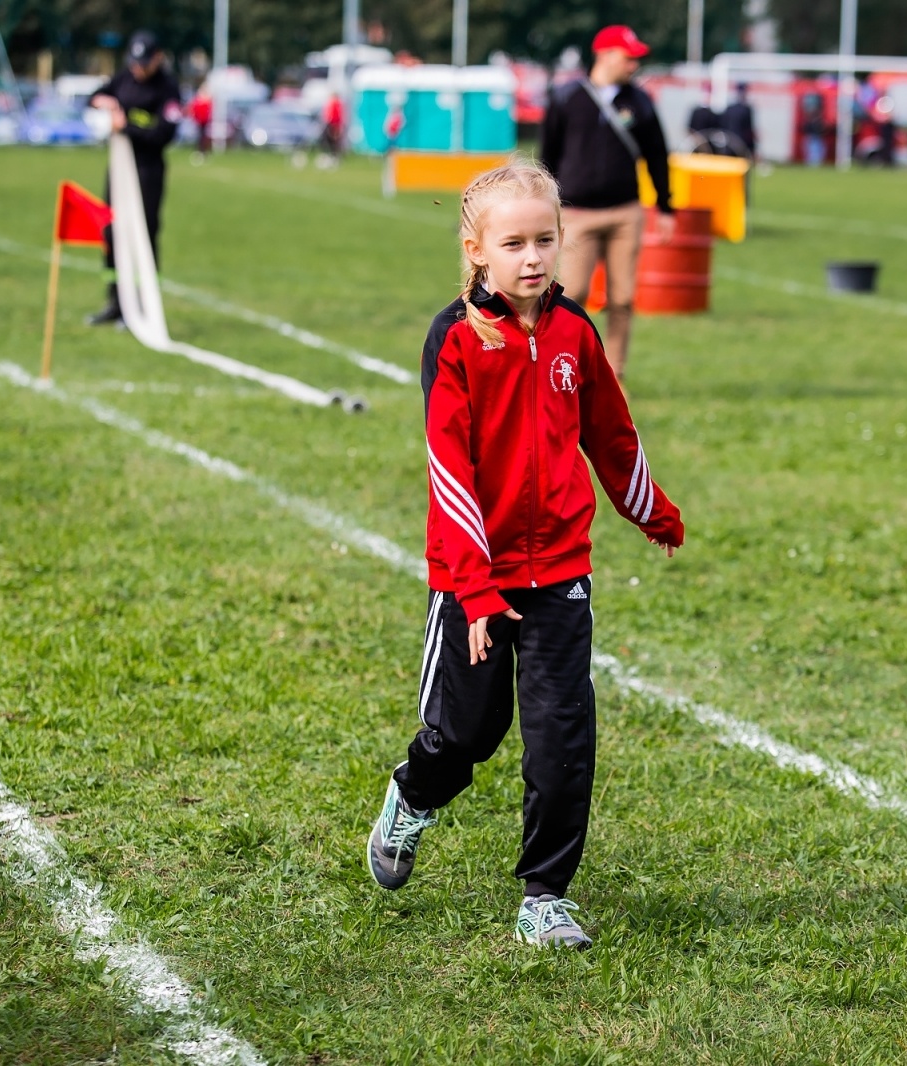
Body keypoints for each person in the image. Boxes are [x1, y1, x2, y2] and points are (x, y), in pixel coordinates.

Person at [365, 159, 685, 950]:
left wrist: (651, 511)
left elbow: (611, 433)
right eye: (515, 243)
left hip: (561, 575)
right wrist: (473, 590)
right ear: (477, 250)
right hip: (476, 579)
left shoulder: (577, 332)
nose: (534, 257)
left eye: (546, 239)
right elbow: (451, 469)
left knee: (562, 738)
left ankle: (545, 895)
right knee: (468, 734)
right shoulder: (456, 338)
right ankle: (413, 797)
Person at [540, 24, 674, 382]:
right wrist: (544, 205)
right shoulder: (567, 97)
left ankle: (615, 373)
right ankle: (565, 367)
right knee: (573, 294)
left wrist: (665, 206)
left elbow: (656, 154)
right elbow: (547, 154)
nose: (634, 65)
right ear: (605, 54)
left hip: (625, 212)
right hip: (576, 212)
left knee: (623, 297)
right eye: (629, 57)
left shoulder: (640, 101)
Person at [86, 30, 182, 326]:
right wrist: (103, 104)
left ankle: (143, 303)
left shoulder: (168, 90)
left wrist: (126, 126)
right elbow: (94, 97)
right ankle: (115, 301)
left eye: (143, 62)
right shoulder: (124, 78)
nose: (137, 68)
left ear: (158, 58)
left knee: (143, 233)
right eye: (134, 62)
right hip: (119, 168)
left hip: (148, 171)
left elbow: (163, 135)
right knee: (112, 232)